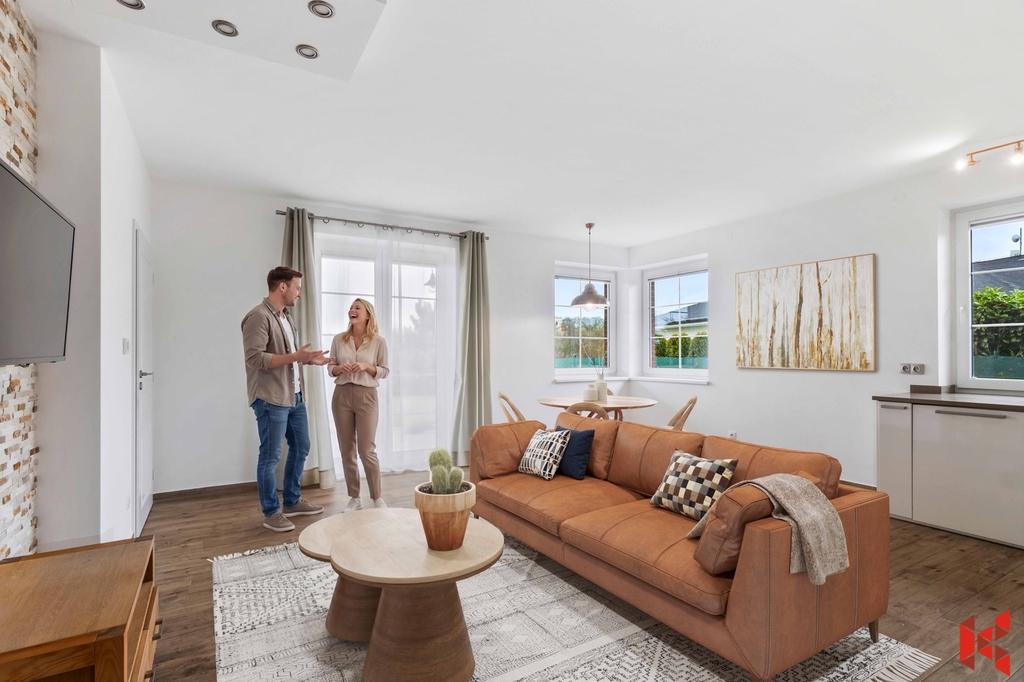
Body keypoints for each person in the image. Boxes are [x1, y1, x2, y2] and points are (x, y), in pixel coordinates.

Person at [242, 266, 329, 532]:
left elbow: (288, 358)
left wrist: (308, 360)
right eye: (297, 287)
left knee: (302, 446)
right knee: (270, 456)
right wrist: (295, 357)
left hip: (294, 396)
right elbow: (255, 358)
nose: (299, 293)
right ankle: (271, 512)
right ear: (282, 286)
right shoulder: (258, 317)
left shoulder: (286, 318)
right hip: (270, 398)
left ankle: (292, 501)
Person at [328, 298, 389, 511]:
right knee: (347, 450)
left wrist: (366, 366)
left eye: (357, 308)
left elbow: (384, 371)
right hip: (342, 395)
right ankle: (355, 498)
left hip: (367, 396)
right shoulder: (338, 339)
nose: (352, 310)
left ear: (367, 315)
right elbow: (331, 368)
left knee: (367, 450)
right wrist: (339, 369)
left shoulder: (378, 341)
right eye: (351, 308)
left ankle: (377, 498)